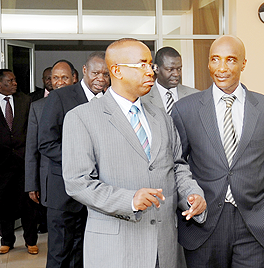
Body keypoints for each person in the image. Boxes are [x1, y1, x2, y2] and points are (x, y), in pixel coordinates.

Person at [62, 38, 206, 268]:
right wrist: (129, 200)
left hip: (165, 247)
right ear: (117, 71)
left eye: (151, 64)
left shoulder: (162, 117)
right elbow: (78, 183)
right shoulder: (81, 118)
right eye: (143, 65)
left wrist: (192, 194)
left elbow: (177, 166)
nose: (151, 71)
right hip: (116, 250)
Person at [171, 35, 264, 268]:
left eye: (230, 60)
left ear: (243, 64)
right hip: (203, 226)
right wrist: (187, 200)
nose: (222, 68)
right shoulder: (185, 110)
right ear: (208, 63)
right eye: (215, 59)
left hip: (257, 225)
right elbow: (177, 165)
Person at [38, 52, 110, 268]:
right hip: (64, 193)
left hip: (98, 193)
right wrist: (82, 163)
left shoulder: (111, 99)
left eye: (106, 74)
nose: (101, 78)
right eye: (96, 72)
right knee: (60, 253)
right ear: (85, 71)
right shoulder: (60, 97)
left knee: (84, 253)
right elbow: (46, 142)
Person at [0, 69, 39, 255]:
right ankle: (7, 240)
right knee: (2, 205)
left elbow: (30, 128)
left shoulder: (26, 100)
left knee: (29, 204)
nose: (15, 83)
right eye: (10, 81)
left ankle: (31, 240)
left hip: (23, 161)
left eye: (15, 79)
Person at [25, 60, 75, 237]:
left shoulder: (84, 104)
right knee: (58, 236)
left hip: (81, 180)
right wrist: (32, 184)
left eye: (64, 77)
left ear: (74, 79)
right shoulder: (37, 107)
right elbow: (32, 149)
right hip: (50, 180)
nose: (59, 82)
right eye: (55, 78)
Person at [142, 46, 198, 115]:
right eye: (170, 69)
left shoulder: (194, 96)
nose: (176, 74)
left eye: (179, 69)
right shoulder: (143, 98)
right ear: (156, 68)